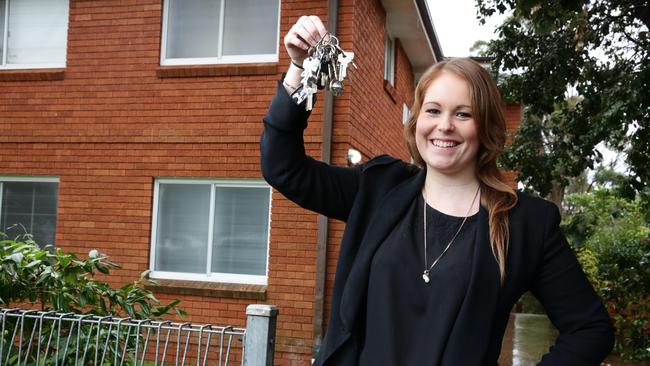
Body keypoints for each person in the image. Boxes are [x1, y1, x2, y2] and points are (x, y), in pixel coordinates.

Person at [260, 15, 615, 366]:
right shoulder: (378, 188)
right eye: (433, 110)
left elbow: (590, 329)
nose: (444, 126)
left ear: (487, 127)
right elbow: (283, 168)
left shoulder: (525, 224)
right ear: (417, 121)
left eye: (463, 114)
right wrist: (298, 69)